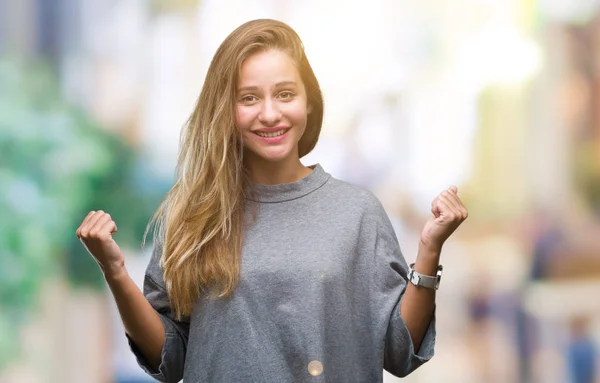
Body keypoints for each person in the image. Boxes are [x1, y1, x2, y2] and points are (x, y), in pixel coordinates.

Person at [76, 19, 468, 382]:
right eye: (249, 98)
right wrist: (114, 271)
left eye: (285, 94)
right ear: (225, 111)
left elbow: (399, 354)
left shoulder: (357, 212)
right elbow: (168, 359)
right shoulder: (192, 214)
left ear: (308, 102)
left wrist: (430, 248)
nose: (270, 114)